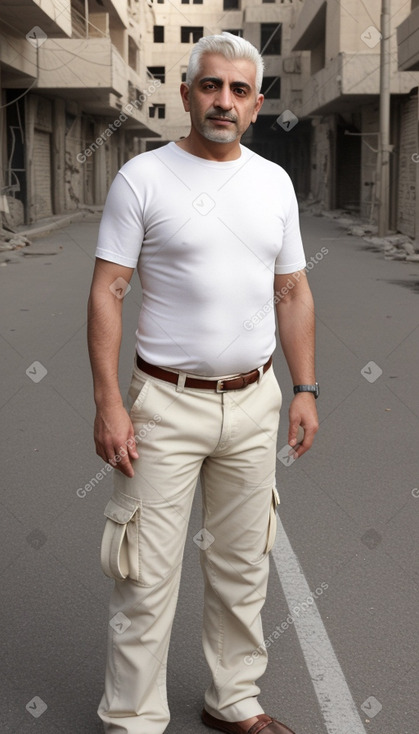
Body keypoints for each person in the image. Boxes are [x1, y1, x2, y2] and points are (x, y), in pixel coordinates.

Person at [87, 32, 318, 734]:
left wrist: (304, 387)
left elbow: (292, 292)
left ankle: (233, 700)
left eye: (238, 90)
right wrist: (108, 405)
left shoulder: (272, 184)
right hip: (162, 406)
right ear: (187, 93)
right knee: (144, 577)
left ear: (256, 105)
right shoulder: (143, 179)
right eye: (210, 86)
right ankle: (132, 719)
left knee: (244, 566)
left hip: (254, 402)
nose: (223, 100)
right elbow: (108, 291)